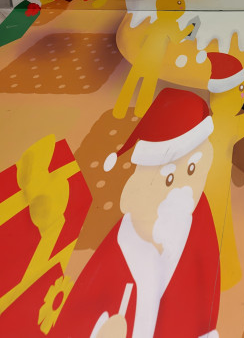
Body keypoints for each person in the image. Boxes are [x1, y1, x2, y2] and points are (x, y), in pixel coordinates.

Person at [52, 88, 220, 338]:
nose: (182, 190)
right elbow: (84, 302)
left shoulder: (198, 213)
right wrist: (100, 327)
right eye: (169, 178)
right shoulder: (121, 246)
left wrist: (204, 326)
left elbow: (207, 274)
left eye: (192, 169)